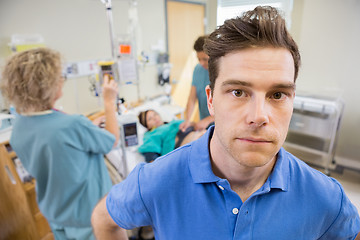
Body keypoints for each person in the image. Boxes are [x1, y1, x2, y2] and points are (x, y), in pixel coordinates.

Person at [91, 6, 360, 239]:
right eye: (238, 92)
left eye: (277, 95)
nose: (259, 116)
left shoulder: (325, 197)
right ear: (210, 100)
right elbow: (104, 220)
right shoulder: (156, 181)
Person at [0, 48, 119, 240]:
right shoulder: (72, 126)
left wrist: (86, 128)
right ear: (46, 85)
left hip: (56, 215)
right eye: (59, 76)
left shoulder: (19, 127)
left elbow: (55, 138)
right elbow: (112, 140)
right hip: (88, 217)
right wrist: (109, 102)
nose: (62, 79)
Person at [137, 109, 205, 162]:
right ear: (147, 126)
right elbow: (152, 159)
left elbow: (194, 124)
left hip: (196, 132)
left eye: (155, 114)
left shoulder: (172, 123)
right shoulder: (151, 136)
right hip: (182, 143)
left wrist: (190, 124)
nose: (155, 118)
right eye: (150, 119)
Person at [179, 35, 214, 132]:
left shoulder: (222, 71)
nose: (201, 63)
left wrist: (208, 120)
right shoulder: (197, 69)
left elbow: (228, 106)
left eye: (205, 59)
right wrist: (187, 120)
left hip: (221, 123)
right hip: (203, 126)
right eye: (199, 59)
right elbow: (192, 98)